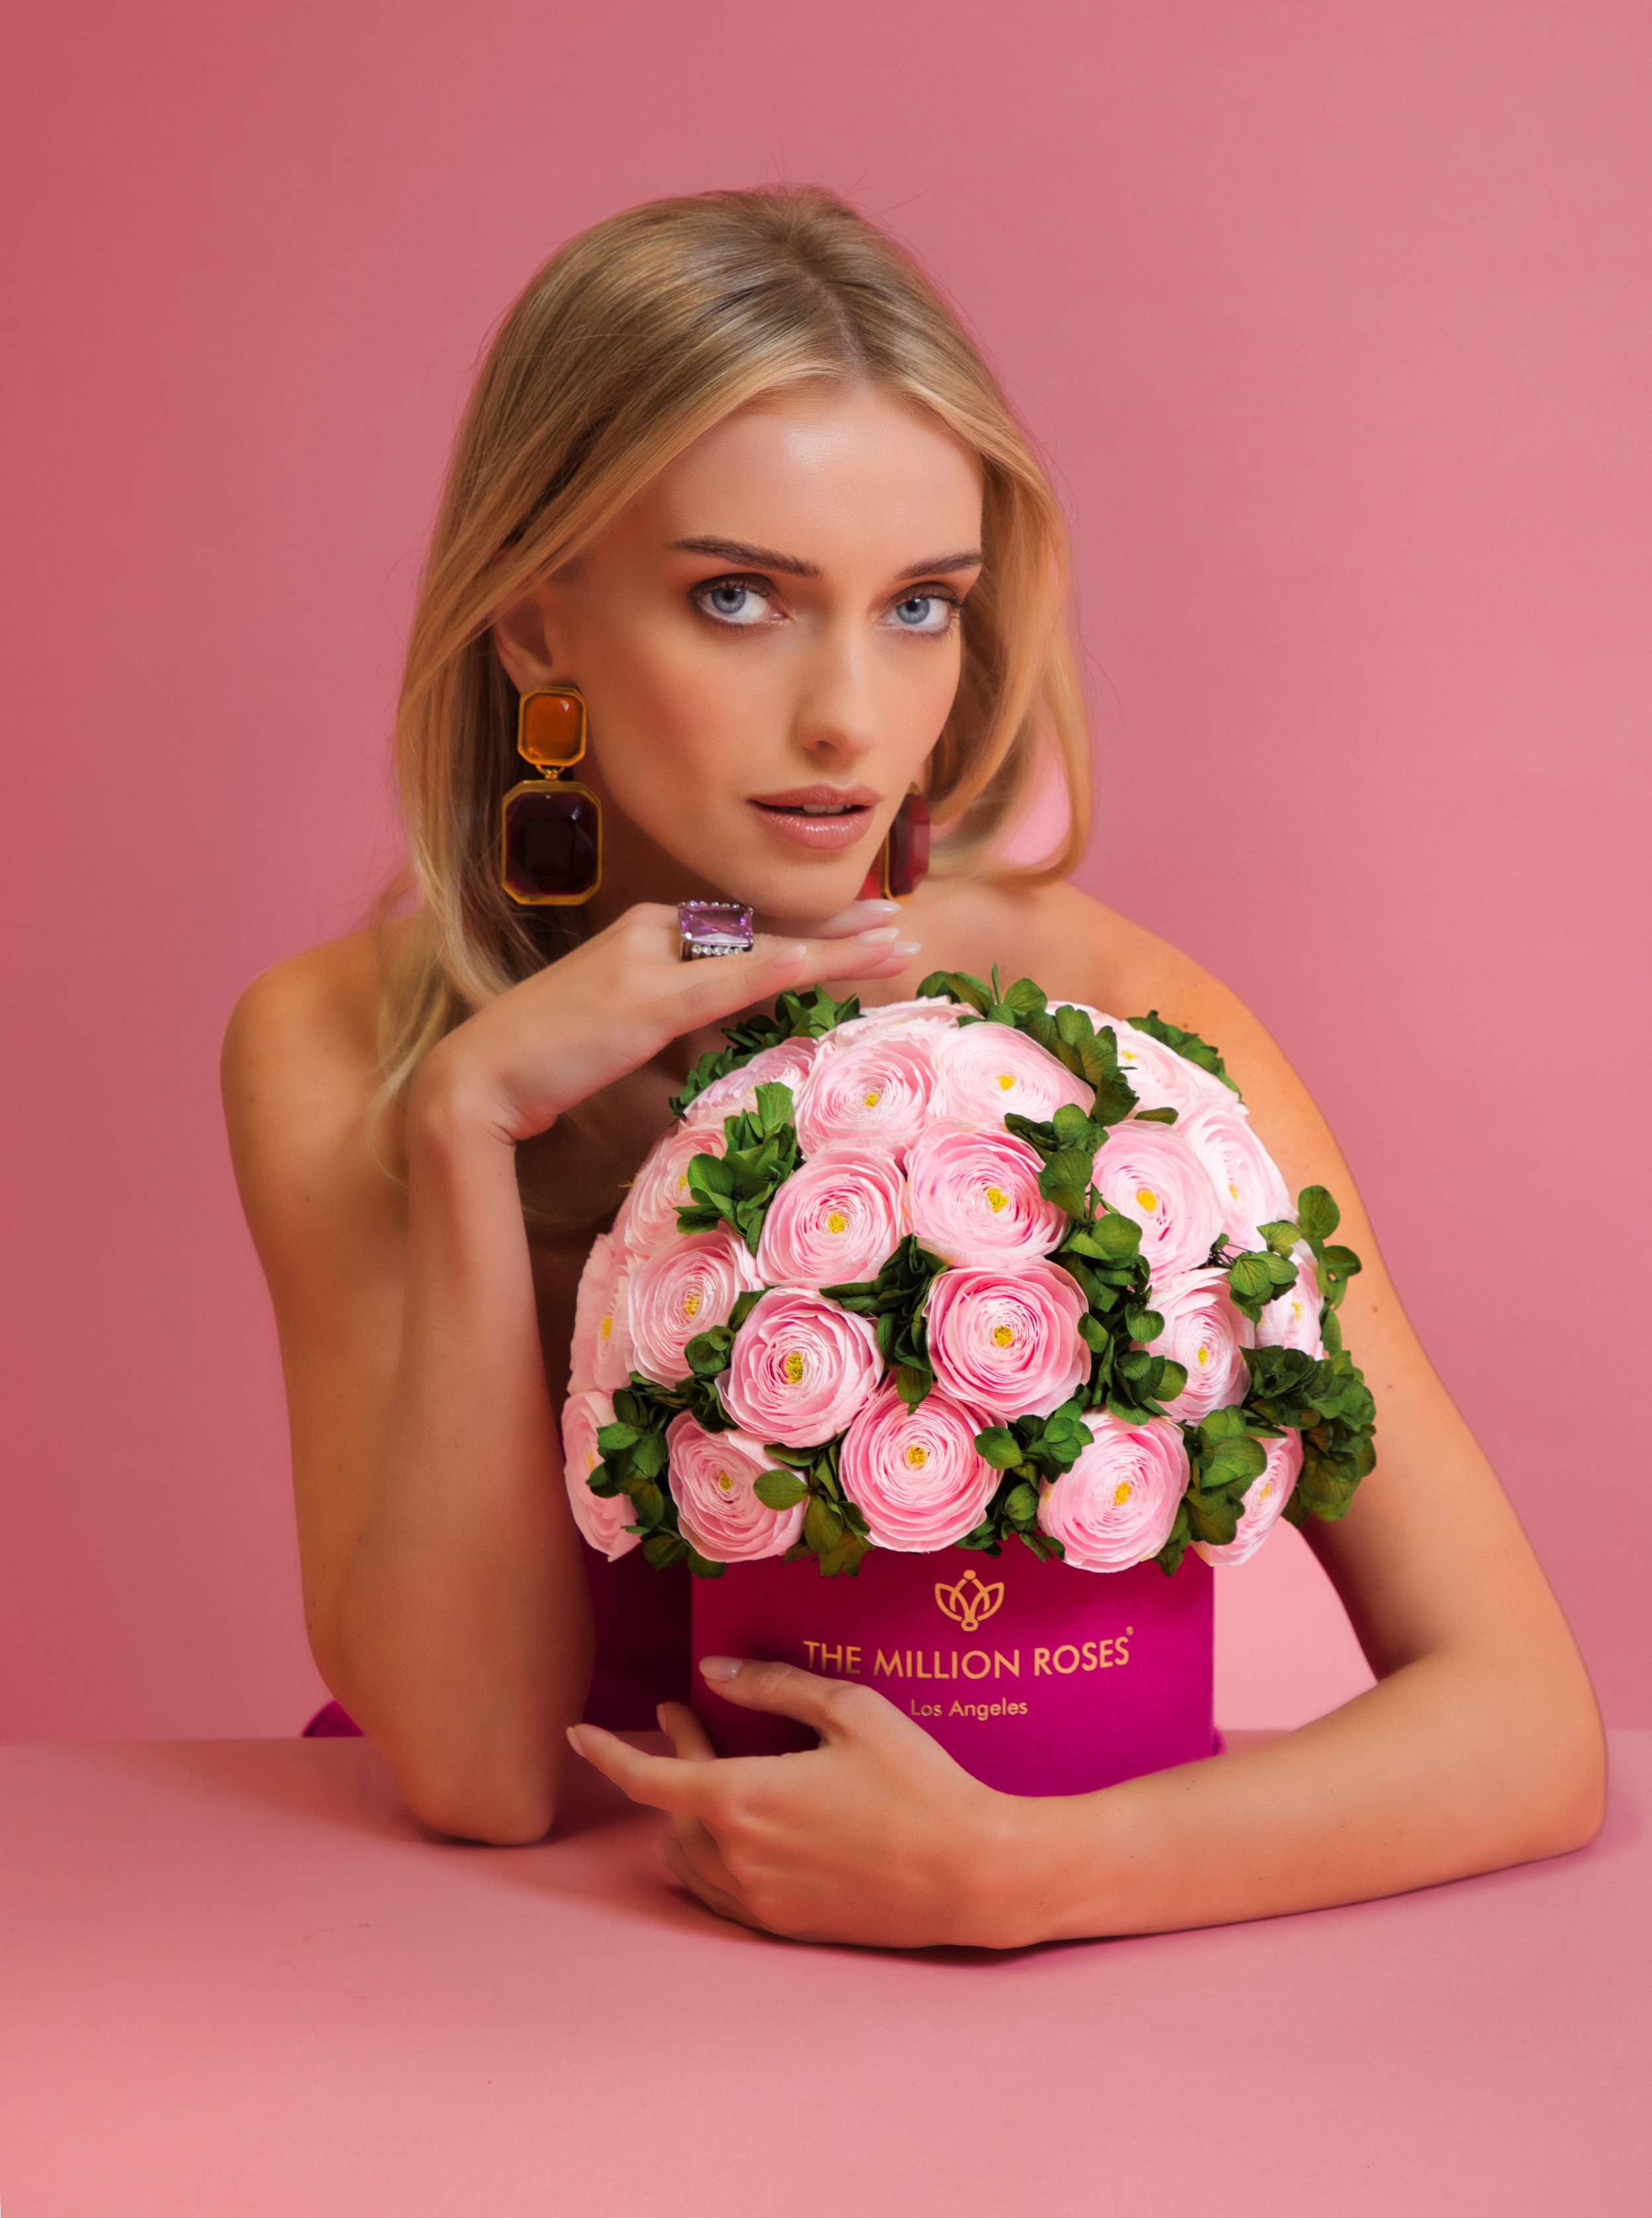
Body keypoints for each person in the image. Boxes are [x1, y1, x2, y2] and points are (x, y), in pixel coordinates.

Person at [222, 185, 1604, 1949]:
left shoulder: (1108, 1012)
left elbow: (1522, 1729)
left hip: (978, 2047)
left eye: (918, 607)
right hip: (481, 1984)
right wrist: (468, 1123)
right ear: (534, 624)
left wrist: (1023, 1879)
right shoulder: (341, 1045)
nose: (848, 721)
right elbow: (481, 1776)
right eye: (739, 598)